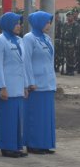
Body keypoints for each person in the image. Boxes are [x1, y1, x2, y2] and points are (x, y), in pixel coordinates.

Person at [0, 12, 31, 158]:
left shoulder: (20, 41)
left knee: (16, 119)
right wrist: (1, 87)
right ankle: (6, 147)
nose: (19, 26)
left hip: (18, 86)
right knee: (6, 119)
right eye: (16, 23)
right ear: (8, 24)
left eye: (20, 23)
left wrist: (25, 85)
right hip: (7, 87)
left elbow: (23, 65)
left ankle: (15, 146)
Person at [23, 11, 57, 154]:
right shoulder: (29, 38)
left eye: (49, 22)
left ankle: (44, 143)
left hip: (48, 82)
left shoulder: (47, 38)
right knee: (35, 116)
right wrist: (29, 82)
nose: (49, 24)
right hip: (36, 84)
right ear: (38, 22)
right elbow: (26, 61)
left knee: (46, 116)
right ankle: (33, 144)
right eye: (46, 22)